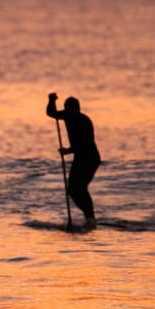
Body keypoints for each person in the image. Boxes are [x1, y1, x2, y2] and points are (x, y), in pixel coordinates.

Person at [46, 93, 101, 228]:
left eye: (72, 110)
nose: (69, 113)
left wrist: (67, 151)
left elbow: (85, 144)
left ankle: (90, 217)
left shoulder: (84, 121)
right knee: (72, 190)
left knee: (80, 188)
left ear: (77, 109)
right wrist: (51, 100)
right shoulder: (67, 115)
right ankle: (89, 216)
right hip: (80, 158)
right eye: (67, 110)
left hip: (90, 158)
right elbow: (51, 112)